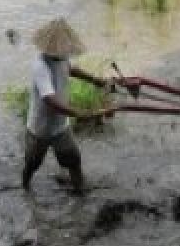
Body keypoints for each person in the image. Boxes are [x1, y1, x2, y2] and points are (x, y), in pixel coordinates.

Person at [22, 18, 116, 193]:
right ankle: (25, 188)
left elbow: (72, 69)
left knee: (73, 160)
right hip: (39, 129)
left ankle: (80, 192)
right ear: (50, 48)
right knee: (32, 164)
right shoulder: (40, 66)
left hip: (61, 127)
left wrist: (96, 81)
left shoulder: (62, 58)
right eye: (62, 48)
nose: (65, 51)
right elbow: (49, 100)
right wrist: (79, 113)